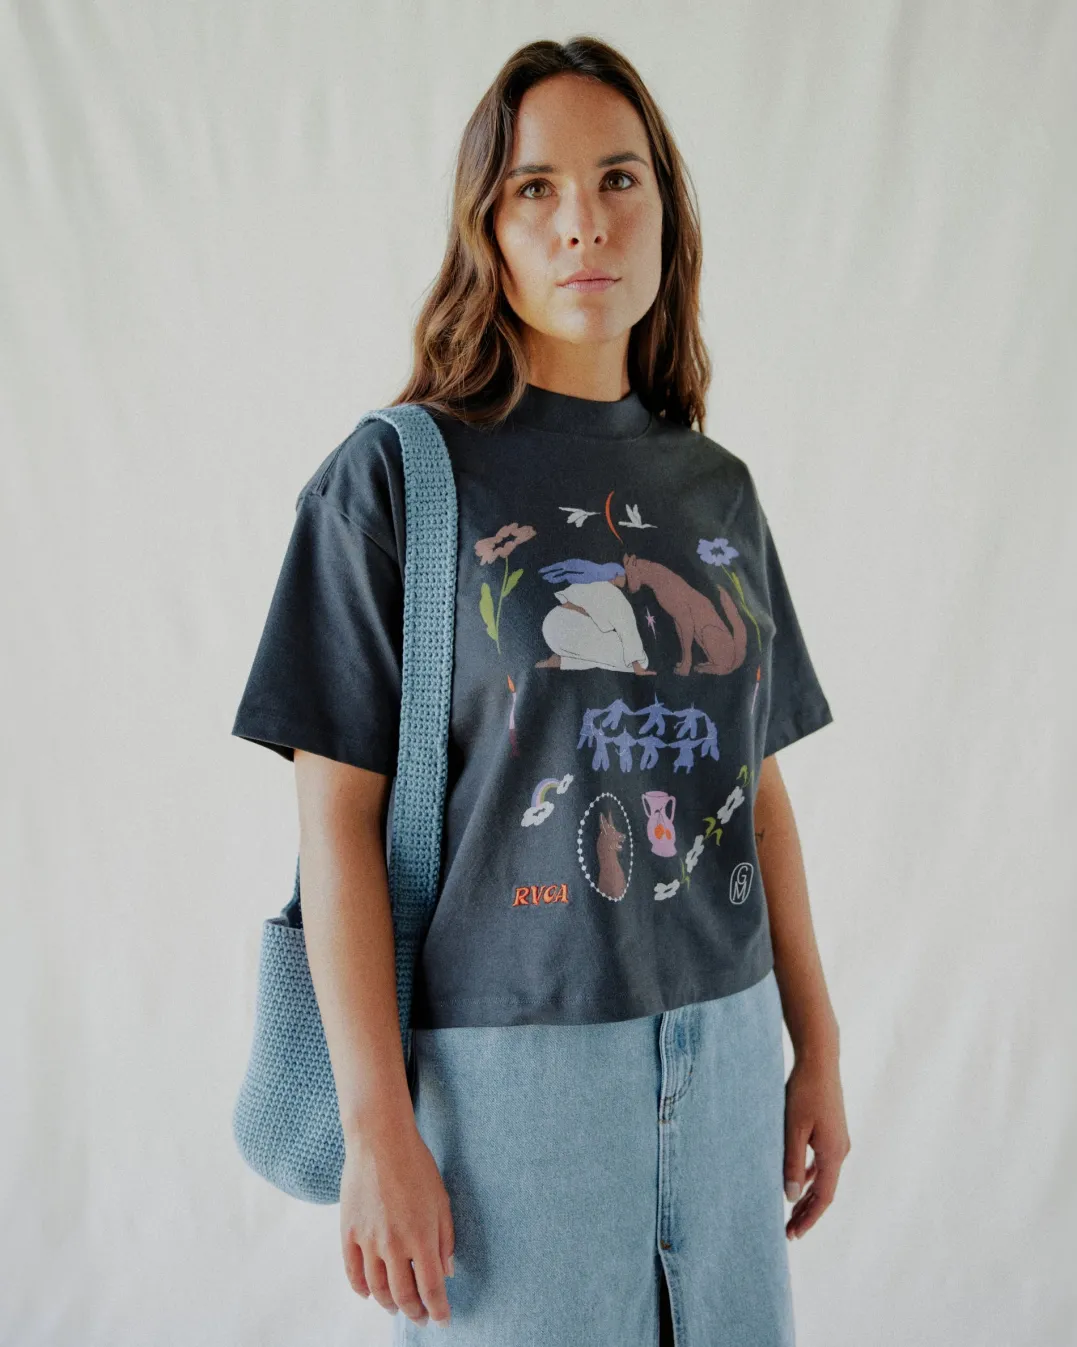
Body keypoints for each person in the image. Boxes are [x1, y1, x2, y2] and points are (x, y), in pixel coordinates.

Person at [231, 34, 850, 1346]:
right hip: (507, 1093)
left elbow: (759, 797)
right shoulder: (394, 481)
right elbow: (337, 822)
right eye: (536, 188)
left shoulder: (716, 490)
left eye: (620, 179)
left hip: (730, 1055)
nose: (585, 222)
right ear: (488, 228)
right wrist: (377, 1126)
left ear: (668, 211)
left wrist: (818, 1048)